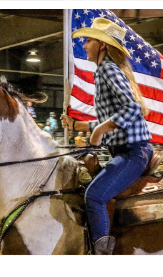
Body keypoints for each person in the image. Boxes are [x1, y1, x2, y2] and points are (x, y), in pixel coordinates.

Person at [61, 18, 153, 255]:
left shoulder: (108, 71)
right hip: (127, 151)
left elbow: (132, 109)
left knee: (94, 196)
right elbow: (112, 118)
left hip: (133, 153)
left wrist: (100, 130)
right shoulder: (105, 72)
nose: (85, 45)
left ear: (102, 45)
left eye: (89, 40)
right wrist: (76, 125)